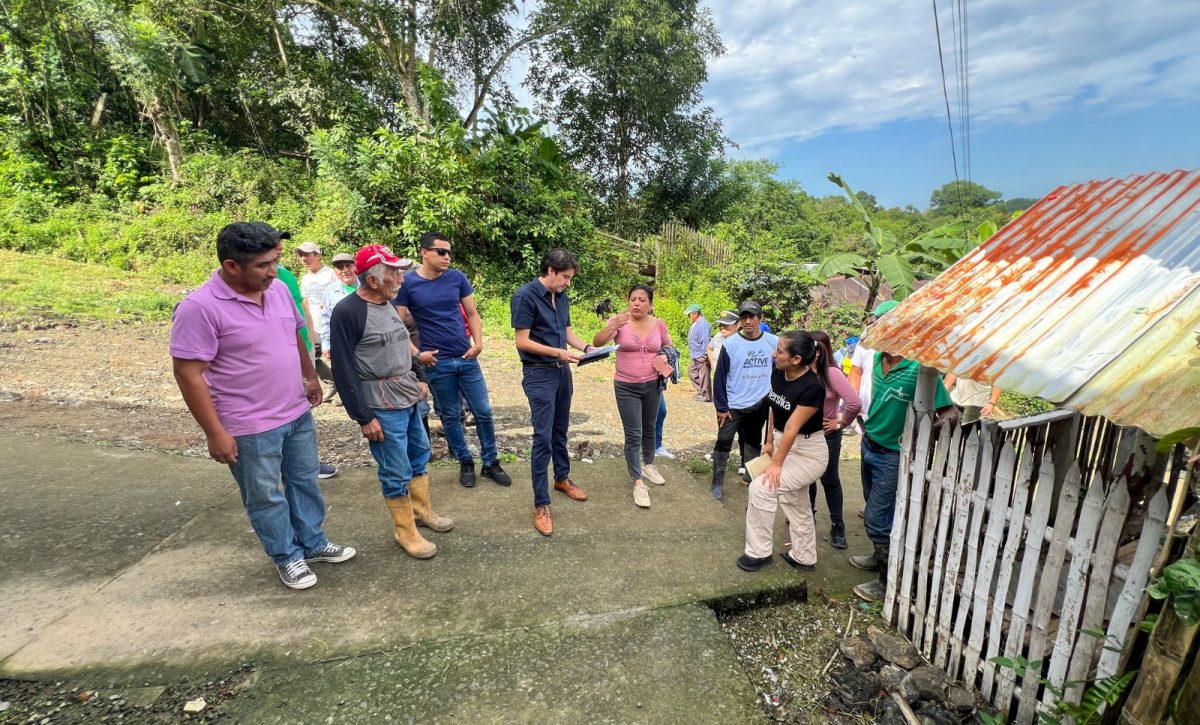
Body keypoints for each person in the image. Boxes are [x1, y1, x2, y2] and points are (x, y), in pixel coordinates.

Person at [170, 222, 356, 590]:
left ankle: (313, 543)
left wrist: (310, 376)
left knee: (305, 482)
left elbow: (294, 336)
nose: (275, 271)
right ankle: (287, 556)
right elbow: (188, 374)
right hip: (248, 425)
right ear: (231, 266)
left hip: (295, 411)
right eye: (264, 265)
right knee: (265, 495)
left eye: (276, 261)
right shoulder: (199, 308)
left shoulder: (279, 292)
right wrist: (215, 433)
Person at [330, 244, 450, 559]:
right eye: (394, 273)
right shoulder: (348, 312)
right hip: (381, 405)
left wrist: (421, 378)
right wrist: (363, 416)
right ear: (372, 280)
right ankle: (405, 531)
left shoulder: (388, 304)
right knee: (395, 468)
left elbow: (404, 346)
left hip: (408, 396)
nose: (401, 278)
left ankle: (421, 512)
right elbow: (343, 369)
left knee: (419, 454)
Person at [395, 231, 511, 488]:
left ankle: (490, 462)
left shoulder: (457, 278)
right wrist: (416, 354)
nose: (447, 257)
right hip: (437, 363)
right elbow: (396, 324)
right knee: (450, 416)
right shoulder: (408, 284)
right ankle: (465, 461)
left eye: (449, 252)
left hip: (466, 357)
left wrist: (479, 343)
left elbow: (472, 312)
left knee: (483, 411)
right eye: (441, 252)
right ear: (425, 253)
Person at [850, 324, 957, 602]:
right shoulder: (875, 359)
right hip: (869, 442)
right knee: (871, 503)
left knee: (877, 518)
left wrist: (923, 434)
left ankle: (887, 582)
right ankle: (878, 556)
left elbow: (950, 413)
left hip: (893, 454)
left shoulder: (919, 369)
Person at [510, 248, 591, 536]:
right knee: (542, 437)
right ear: (551, 271)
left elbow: (566, 331)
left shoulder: (562, 296)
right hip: (538, 374)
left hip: (561, 372)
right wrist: (557, 351)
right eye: (565, 278)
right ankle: (541, 504)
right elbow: (522, 341)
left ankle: (562, 478)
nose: (568, 283)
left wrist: (586, 348)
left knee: (560, 430)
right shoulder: (525, 296)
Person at [737, 331, 829, 572]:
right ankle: (805, 556)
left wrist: (776, 464)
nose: (773, 354)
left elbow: (792, 427)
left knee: (761, 488)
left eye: (779, 351)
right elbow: (774, 407)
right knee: (795, 502)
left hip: (808, 453)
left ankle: (759, 552)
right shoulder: (779, 372)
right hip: (782, 442)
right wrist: (769, 441)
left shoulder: (812, 388)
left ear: (796, 359)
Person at [593, 284, 674, 509]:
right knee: (633, 433)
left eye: (641, 300)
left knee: (649, 427)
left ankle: (648, 464)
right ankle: (637, 481)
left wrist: (666, 358)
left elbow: (667, 345)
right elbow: (597, 341)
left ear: (650, 304)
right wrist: (612, 327)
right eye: (633, 299)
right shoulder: (620, 322)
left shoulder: (658, 324)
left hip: (653, 384)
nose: (636, 303)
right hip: (626, 386)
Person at [710, 301, 778, 500]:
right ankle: (716, 484)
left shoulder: (773, 341)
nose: (748, 321)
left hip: (760, 402)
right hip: (733, 404)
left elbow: (787, 362)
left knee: (753, 440)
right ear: (740, 321)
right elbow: (720, 377)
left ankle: (751, 479)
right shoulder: (731, 344)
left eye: (752, 317)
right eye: (744, 317)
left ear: (760, 318)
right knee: (723, 440)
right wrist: (721, 407)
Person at [808, 331, 862, 549]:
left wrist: (841, 423)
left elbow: (854, 403)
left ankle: (837, 524)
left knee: (829, 480)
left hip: (827, 435)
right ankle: (806, 517)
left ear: (823, 350)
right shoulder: (800, 369)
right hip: (804, 435)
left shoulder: (831, 372)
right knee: (806, 479)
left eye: (816, 348)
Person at [848, 300, 898, 430]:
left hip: (894, 415)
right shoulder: (865, 344)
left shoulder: (907, 348)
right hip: (867, 411)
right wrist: (854, 402)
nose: (875, 323)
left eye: (881, 319)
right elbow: (855, 371)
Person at [685, 304, 712, 402]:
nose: (689, 316)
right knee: (691, 371)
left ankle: (706, 396)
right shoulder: (696, 323)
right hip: (695, 354)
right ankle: (701, 390)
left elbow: (705, 340)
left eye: (690, 314)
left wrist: (704, 355)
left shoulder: (703, 324)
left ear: (695, 313)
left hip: (701, 355)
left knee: (704, 375)